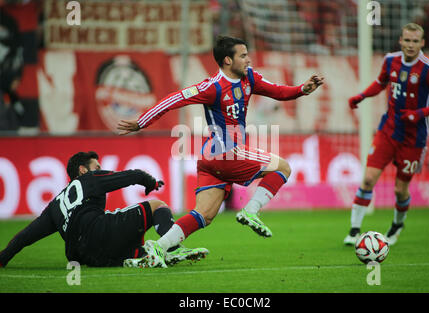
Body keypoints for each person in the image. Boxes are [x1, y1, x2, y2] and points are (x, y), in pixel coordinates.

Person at [117, 35, 324, 268]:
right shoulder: (212, 87)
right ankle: (251, 211)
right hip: (227, 153)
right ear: (227, 60)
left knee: (203, 215)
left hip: (210, 158)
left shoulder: (250, 78)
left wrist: (302, 89)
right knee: (283, 167)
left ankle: (158, 248)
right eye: (243, 55)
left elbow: (278, 91)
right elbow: (175, 99)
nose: (248, 59)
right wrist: (142, 122)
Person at [0, 151, 208, 268]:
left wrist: (4, 256)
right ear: (83, 170)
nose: (100, 170)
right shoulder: (89, 180)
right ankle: (171, 249)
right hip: (99, 232)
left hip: (81, 257)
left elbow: (26, 236)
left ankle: (139, 257)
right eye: (97, 167)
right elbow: (132, 175)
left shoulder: (55, 205)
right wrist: (150, 182)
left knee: (137, 245)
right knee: (157, 206)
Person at [344, 23, 429, 246]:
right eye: (407, 40)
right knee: (368, 178)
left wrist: (419, 113)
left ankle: (397, 225)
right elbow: (380, 83)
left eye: (415, 41)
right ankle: (354, 231)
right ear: (400, 41)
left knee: (400, 190)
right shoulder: (390, 60)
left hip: (414, 138)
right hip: (389, 130)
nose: (410, 45)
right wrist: (361, 96)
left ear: (422, 43)